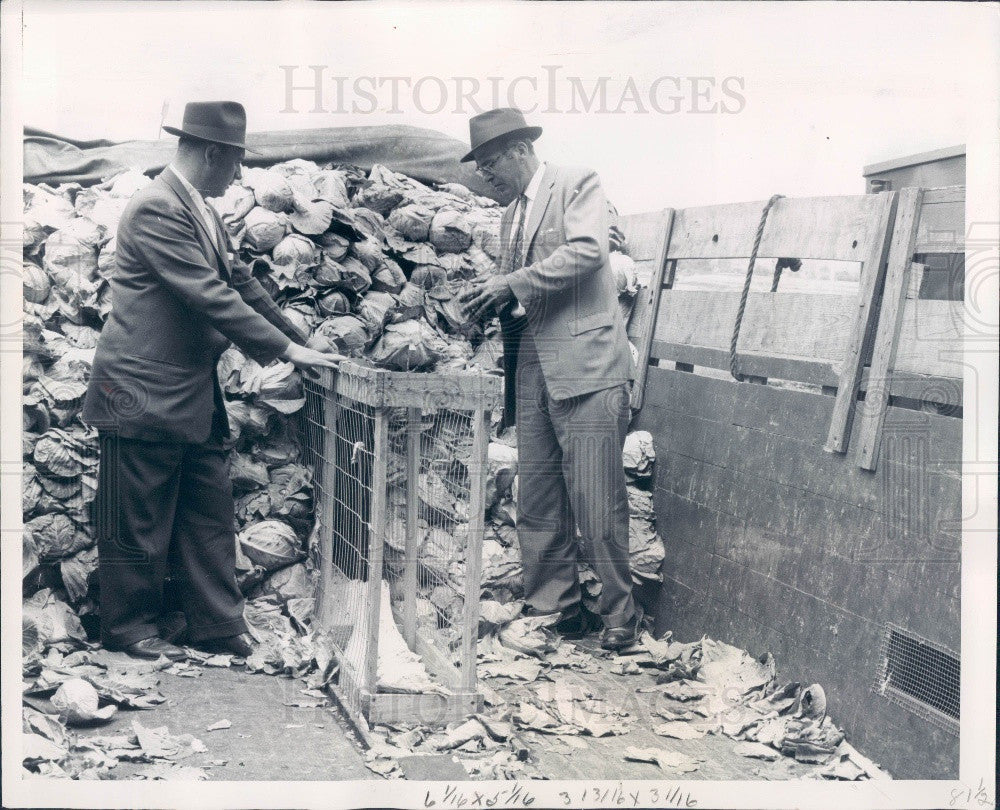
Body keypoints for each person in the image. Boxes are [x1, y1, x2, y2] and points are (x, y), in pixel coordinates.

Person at [82, 101, 343, 661]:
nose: (240, 174)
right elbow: (207, 293)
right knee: (137, 519)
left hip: (187, 392)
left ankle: (216, 626)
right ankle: (128, 629)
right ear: (211, 152)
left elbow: (244, 285)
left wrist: (300, 339)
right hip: (139, 391)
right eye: (236, 161)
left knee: (208, 510)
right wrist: (285, 350)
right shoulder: (156, 208)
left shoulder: (200, 209)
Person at [459, 108, 642, 651]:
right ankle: (555, 608)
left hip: (587, 369)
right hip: (535, 370)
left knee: (596, 500)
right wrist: (493, 303)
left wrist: (510, 284)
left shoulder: (576, 183)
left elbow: (589, 251)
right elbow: (526, 294)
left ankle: (620, 619)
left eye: (490, 163)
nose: (485, 175)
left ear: (520, 150)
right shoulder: (510, 214)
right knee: (537, 496)